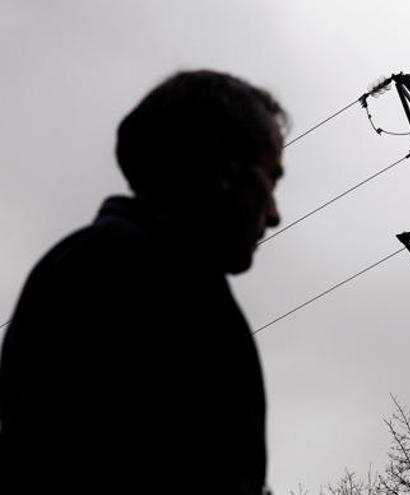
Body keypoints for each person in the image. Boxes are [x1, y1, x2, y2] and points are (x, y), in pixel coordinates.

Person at [0, 70, 286, 494]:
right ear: (223, 167)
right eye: (270, 178)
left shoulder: (132, 271)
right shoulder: (127, 279)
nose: (275, 213)